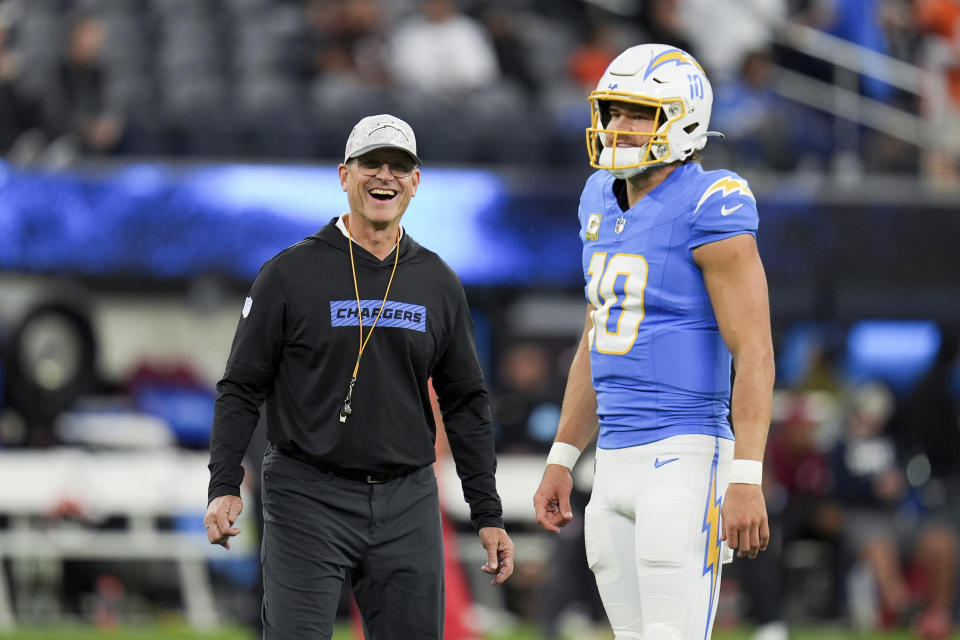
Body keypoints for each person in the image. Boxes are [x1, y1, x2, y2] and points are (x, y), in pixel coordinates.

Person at [204, 114, 514, 639]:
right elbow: (241, 386)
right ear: (345, 175)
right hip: (307, 495)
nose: (385, 177)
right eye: (372, 164)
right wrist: (224, 483)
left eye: (399, 167)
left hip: (407, 499)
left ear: (416, 183)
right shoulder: (288, 274)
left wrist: (487, 511)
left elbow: (465, 401)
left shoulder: (439, 282)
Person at [533, 44, 775, 639]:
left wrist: (747, 474)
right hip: (612, 459)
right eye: (612, 112)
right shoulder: (597, 199)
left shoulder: (711, 202)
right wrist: (563, 456)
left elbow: (755, 352)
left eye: (636, 113)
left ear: (683, 119)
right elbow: (598, 338)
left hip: (686, 455)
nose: (617, 127)